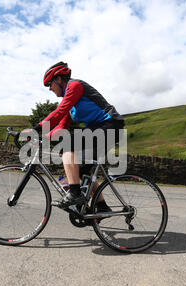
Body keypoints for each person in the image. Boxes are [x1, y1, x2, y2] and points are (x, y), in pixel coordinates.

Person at [33, 61, 125, 211]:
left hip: (111, 124)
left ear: (59, 79)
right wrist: (42, 139)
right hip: (100, 129)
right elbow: (61, 126)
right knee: (81, 170)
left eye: (50, 84)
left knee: (68, 144)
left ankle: (75, 193)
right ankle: (101, 206)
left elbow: (59, 112)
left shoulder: (75, 86)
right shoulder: (71, 102)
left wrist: (35, 129)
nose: (49, 88)